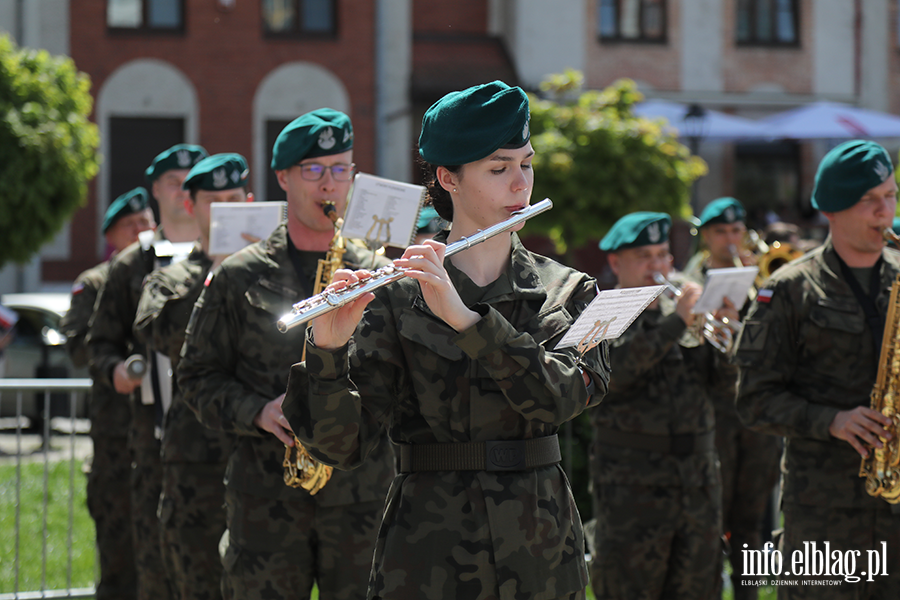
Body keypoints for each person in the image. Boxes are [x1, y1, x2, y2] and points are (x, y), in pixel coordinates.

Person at [282, 81, 609, 600]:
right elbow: (343, 448)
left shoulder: (567, 291)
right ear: (447, 178)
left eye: (526, 164)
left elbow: (560, 397)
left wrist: (469, 322)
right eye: (498, 169)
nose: (519, 185)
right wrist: (327, 353)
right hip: (426, 558)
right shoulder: (394, 298)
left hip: (540, 553)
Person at [177, 109, 395, 600]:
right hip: (265, 500)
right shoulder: (237, 274)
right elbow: (195, 376)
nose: (329, 186)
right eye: (313, 171)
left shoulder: (378, 276)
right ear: (283, 177)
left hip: (361, 499)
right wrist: (257, 411)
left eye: (341, 170)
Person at [733, 139, 900, 599]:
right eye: (870, 201)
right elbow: (754, 402)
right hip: (823, 520)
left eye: (890, 196)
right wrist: (832, 421)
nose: (884, 212)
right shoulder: (788, 290)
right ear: (833, 208)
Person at [590, 212, 734, 600]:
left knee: (699, 587)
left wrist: (725, 333)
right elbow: (612, 375)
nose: (658, 266)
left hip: (698, 482)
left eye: (663, 255)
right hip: (633, 485)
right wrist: (675, 326)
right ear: (617, 263)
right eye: (645, 256)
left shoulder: (685, 313)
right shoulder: (606, 311)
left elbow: (725, 390)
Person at [88, 143, 208, 600]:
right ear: (156, 189)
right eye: (173, 183)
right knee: (148, 568)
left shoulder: (230, 260)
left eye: (192, 182)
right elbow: (99, 343)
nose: (183, 192)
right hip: (148, 440)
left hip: (215, 441)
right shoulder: (131, 263)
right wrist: (115, 370)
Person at [133, 154, 252, 600]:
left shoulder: (276, 277)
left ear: (251, 202)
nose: (223, 210)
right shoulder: (172, 277)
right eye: (213, 201)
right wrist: (216, 277)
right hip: (196, 458)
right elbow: (154, 330)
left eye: (233, 200)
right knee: (196, 580)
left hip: (261, 454)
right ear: (191, 207)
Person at [59, 187, 156, 600]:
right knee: (118, 551)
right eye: (130, 225)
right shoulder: (95, 282)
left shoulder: (171, 269)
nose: (141, 230)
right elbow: (79, 347)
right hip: (117, 430)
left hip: (162, 431)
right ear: (111, 236)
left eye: (146, 222)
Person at [687, 198, 782, 599]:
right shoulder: (689, 283)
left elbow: (779, 347)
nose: (730, 239)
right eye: (721, 232)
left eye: (736, 231)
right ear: (706, 236)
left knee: (754, 515)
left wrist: (744, 324)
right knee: (711, 514)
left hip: (756, 419)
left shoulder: (762, 283)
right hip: (712, 417)